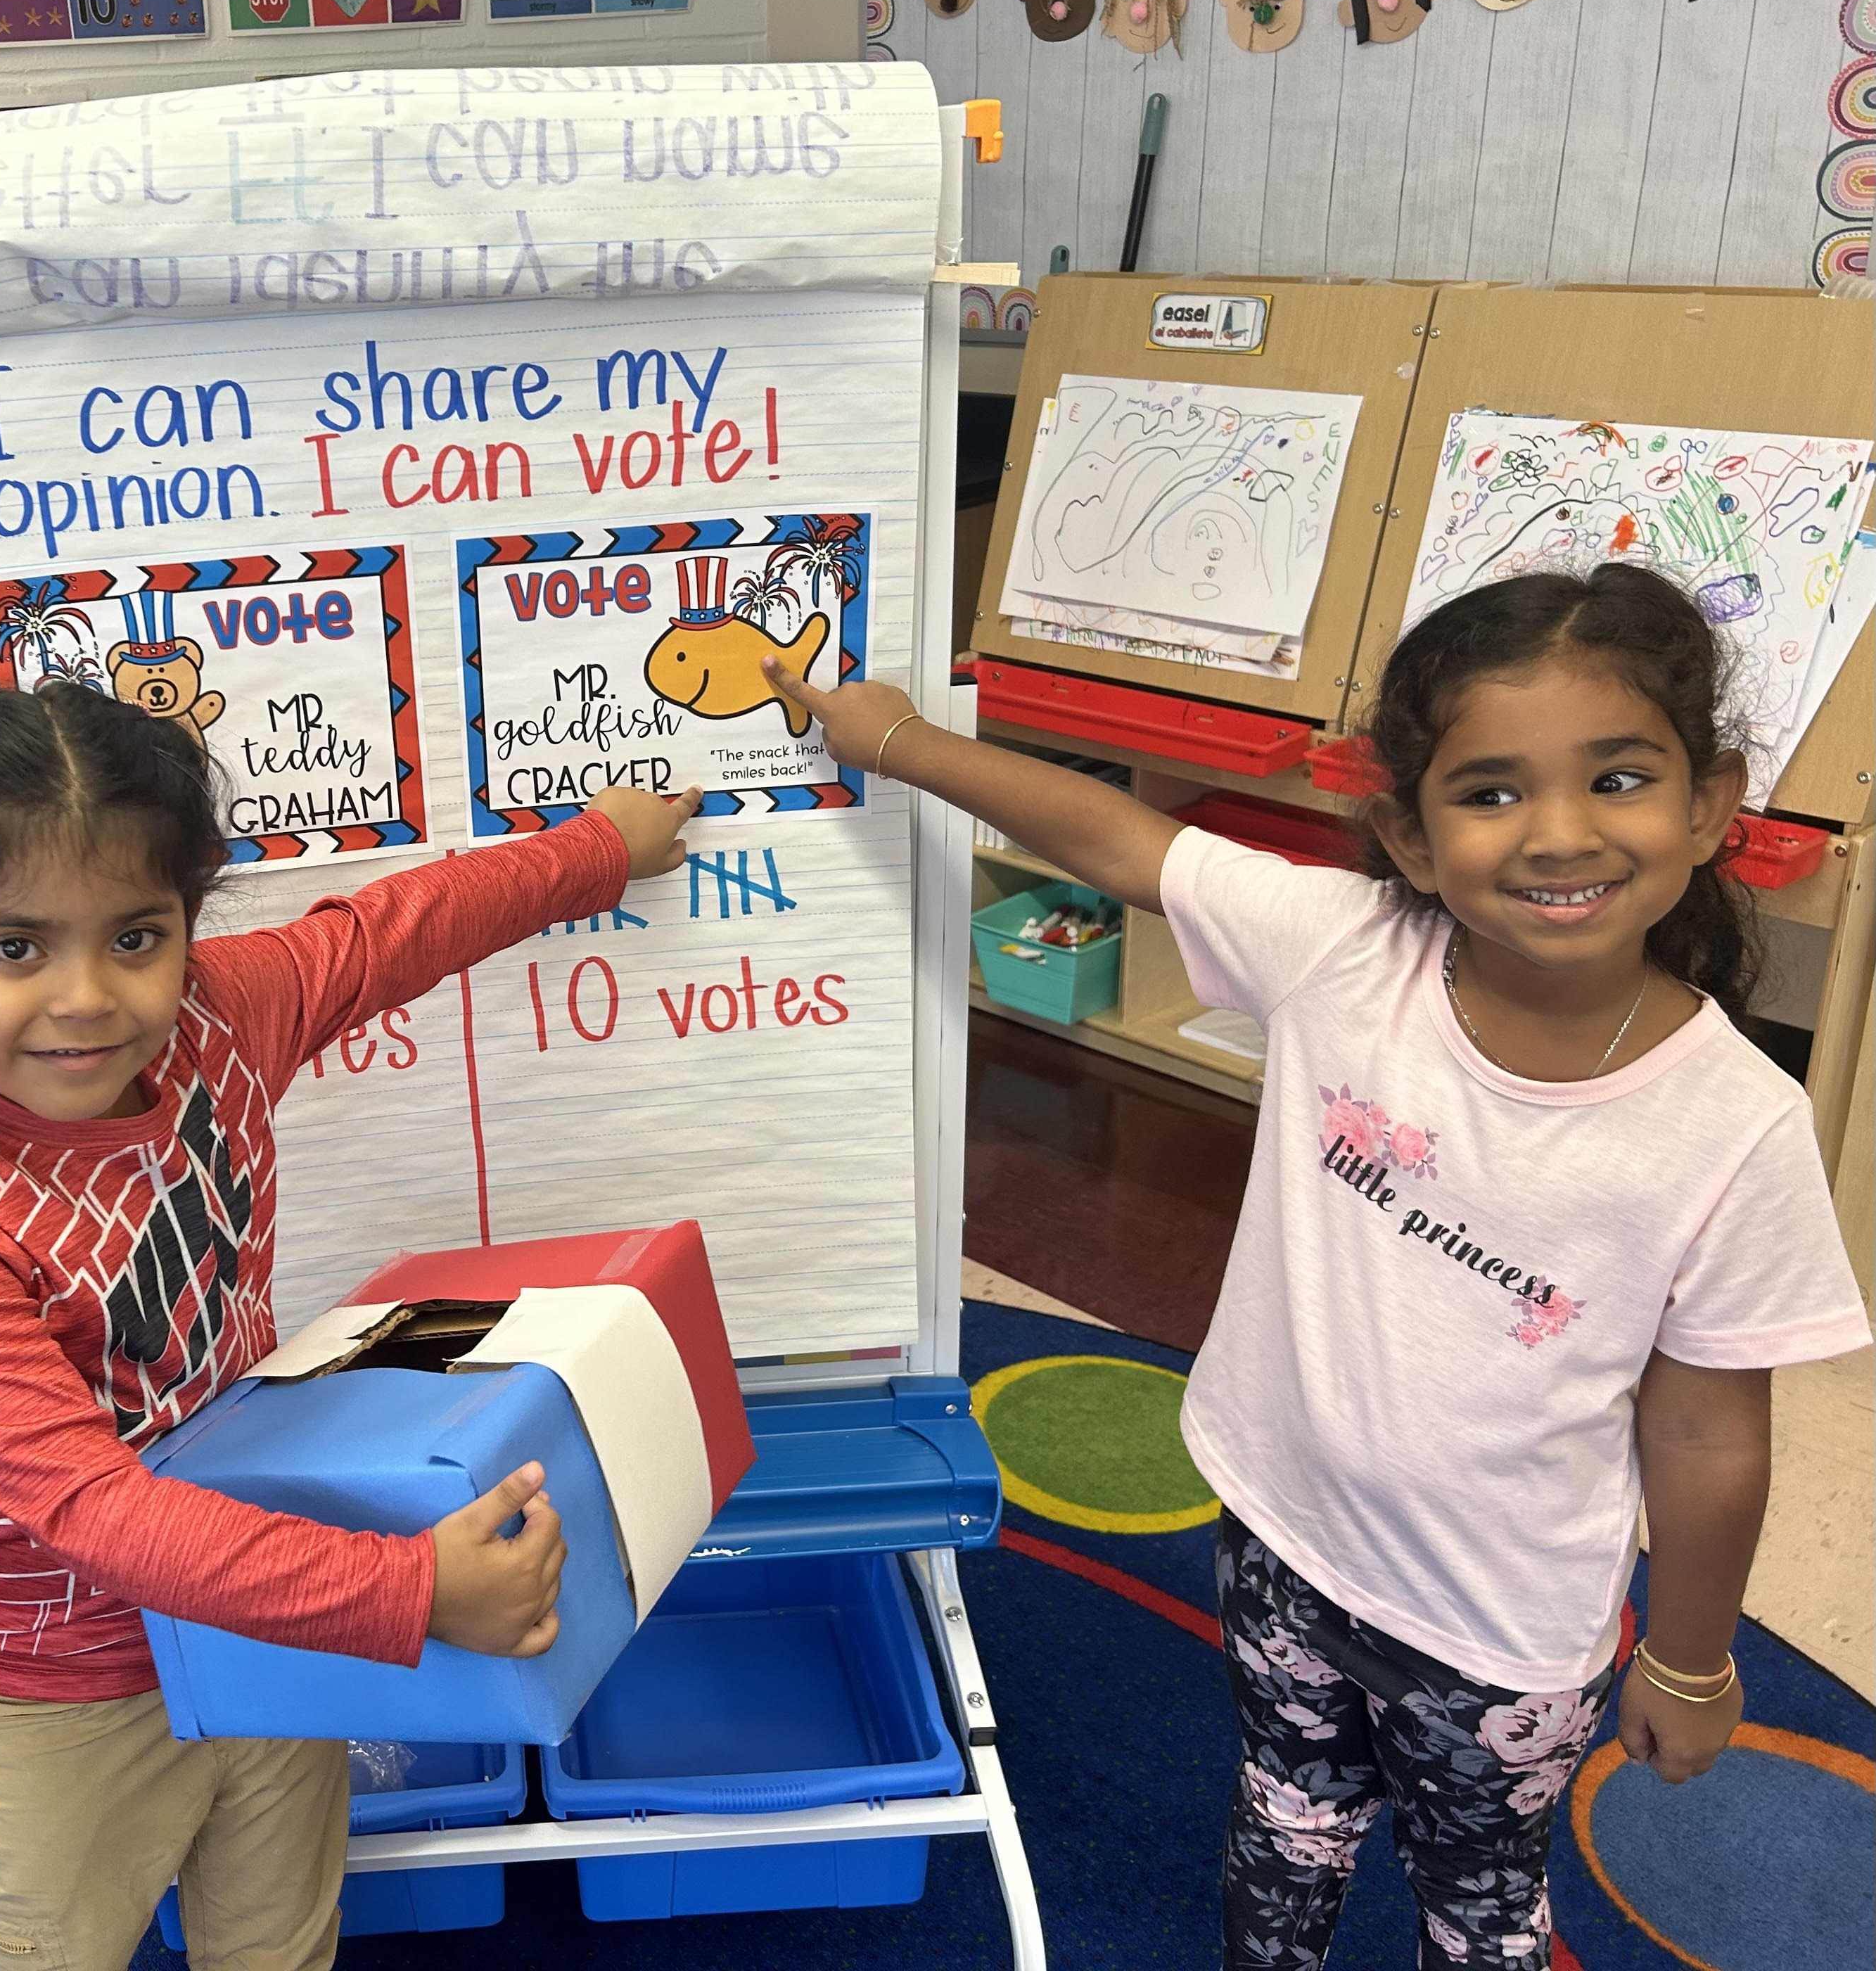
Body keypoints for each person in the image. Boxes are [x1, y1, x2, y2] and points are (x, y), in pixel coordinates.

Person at [767, 564, 1869, 1971]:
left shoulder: (1735, 1125)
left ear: (1708, 803)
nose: (1555, 834)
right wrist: (894, 740)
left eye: (1616, 779)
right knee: (1285, 1826)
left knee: (1479, 1912)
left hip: (1499, 1639)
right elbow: (1118, 840)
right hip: (1280, 1537)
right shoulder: (1345, 951)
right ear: (1409, 839)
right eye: (1488, 792)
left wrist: (1691, 1657)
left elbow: (1711, 1427)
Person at [0, 680, 698, 1971]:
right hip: (62, 1677)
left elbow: (387, 933)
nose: (87, 998)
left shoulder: (218, 1014)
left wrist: (593, 854)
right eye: (14, 948)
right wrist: (409, 1593)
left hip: (262, 1598)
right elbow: (90, 1513)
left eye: (136, 936)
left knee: (282, 1925)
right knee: (51, 1949)